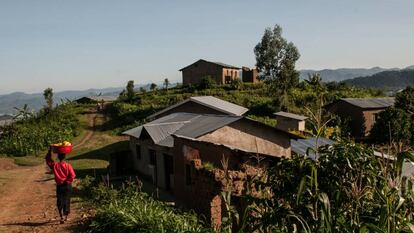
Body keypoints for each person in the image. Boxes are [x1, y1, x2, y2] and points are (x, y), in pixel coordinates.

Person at [45, 146, 76, 224]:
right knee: (67, 200)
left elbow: (48, 161)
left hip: (59, 186)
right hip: (67, 186)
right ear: (65, 157)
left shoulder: (55, 166)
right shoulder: (68, 165)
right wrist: (68, 181)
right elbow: (72, 175)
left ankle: (61, 217)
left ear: (58, 157)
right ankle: (66, 217)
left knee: (60, 201)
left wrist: (49, 152)